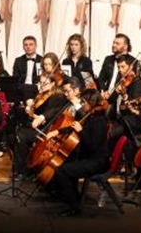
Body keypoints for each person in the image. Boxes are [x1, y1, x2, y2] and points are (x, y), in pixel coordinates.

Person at [47, 87, 111, 217]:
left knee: (62, 171)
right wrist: (57, 132)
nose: (82, 105)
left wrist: (81, 131)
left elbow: (93, 146)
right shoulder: (90, 116)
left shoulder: (99, 121)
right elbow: (73, 127)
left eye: (84, 102)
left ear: (91, 103)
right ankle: (73, 198)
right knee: (65, 164)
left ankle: (74, 207)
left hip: (98, 161)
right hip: (89, 157)